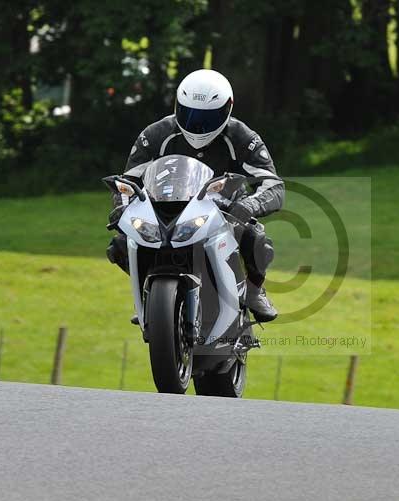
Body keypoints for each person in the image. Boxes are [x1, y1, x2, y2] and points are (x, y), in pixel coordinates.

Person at [106, 69, 283, 322]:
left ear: (227, 109)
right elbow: (128, 181)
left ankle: (254, 291)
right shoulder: (156, 134)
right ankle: (149, 295)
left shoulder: (243, 137)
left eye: (207, 117)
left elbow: (273, 184)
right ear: (177, 105)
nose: (197, 124)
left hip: (225, 211)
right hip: (165, 208)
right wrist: (122, 206)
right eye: (189, 114)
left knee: (256, 239)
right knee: (121, 245)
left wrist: (249, 205)